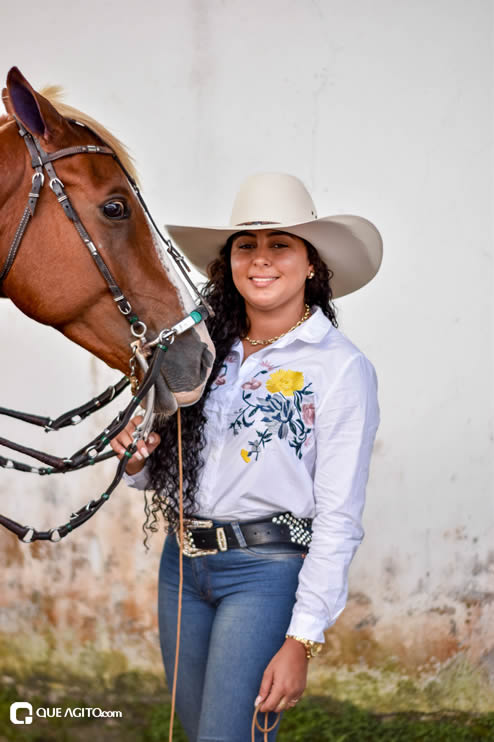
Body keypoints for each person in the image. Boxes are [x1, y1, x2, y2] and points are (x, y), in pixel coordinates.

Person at [110, 173, 382, 741]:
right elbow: (182, 462)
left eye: (280, 244)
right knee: (198, 731)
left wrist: (302, 638)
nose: (261, 259)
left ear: (312, 265)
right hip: (181, 568)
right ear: (227, 263)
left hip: (265, 574)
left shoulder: (339, 368)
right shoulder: (203, 348)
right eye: (246, 245)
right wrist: (138, 460)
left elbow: (338, 516)